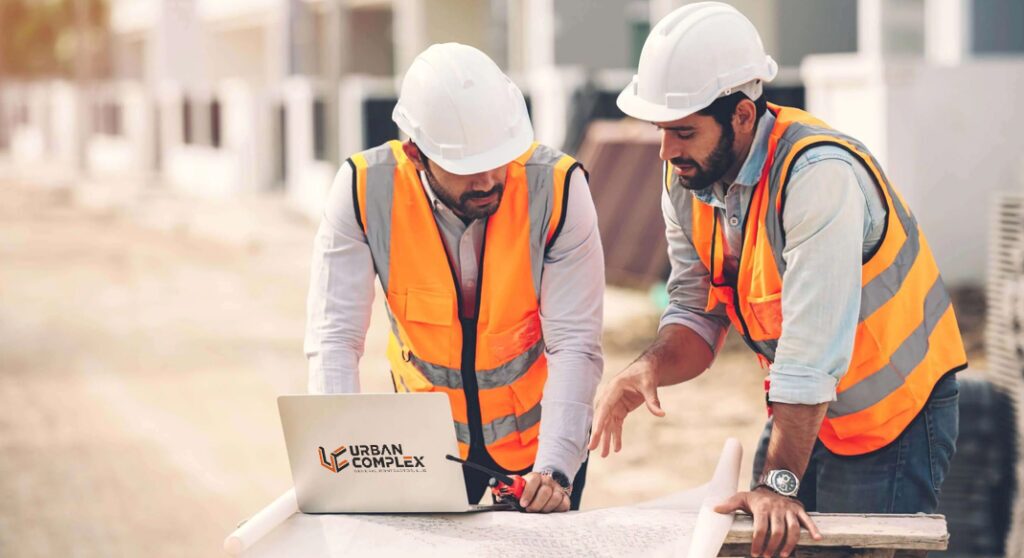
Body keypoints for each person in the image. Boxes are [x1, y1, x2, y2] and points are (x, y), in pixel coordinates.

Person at [590, 3, 967, 555]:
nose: (668, 151)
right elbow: (696, 316)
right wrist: (646, 367)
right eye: (661, 131)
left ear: (743, 115)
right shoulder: (689, 179)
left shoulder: (819, 178)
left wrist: (777, 481)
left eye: (684, 132)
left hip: (894, 417)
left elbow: (810, 356)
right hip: (806, 408)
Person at [304, 43, 604, 513]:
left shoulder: (559, 189)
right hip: (426, 449)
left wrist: (556, 468)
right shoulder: (366, 190)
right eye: (466, 168)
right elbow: (335, 338)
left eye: (498, 159)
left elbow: (576, 345)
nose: (486, 180)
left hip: (538, 447)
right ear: (417, 155)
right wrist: (345, 464)